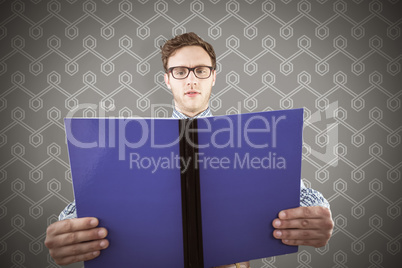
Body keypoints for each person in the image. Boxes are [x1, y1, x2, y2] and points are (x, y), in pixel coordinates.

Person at [45, 32, 334, 267]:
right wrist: (66, 230)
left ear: (214, 76)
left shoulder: (247, 140)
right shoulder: (131, 144)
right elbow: (84, 207)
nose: (192, 78)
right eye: (180, 71)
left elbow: (300, 193)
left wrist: (321, 212)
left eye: (200, 70)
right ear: (167, 79)